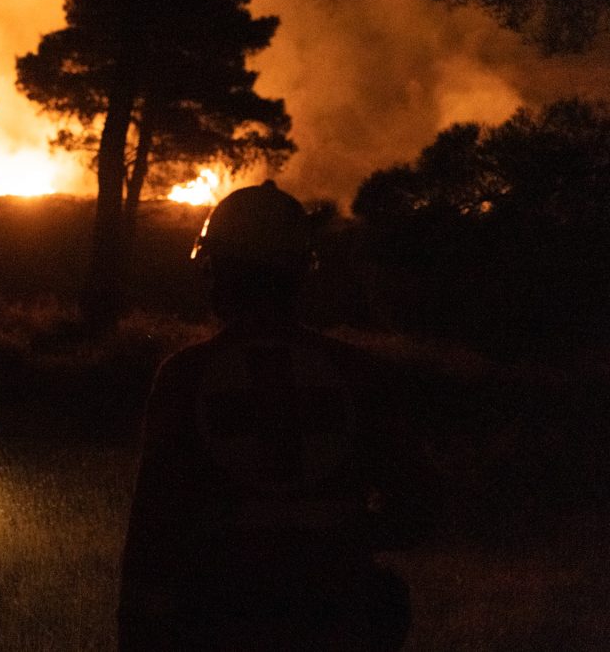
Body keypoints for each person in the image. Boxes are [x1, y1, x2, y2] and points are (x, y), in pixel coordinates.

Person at [118, 181, 438, 650]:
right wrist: (337, 540)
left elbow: (154, 530)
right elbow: (417, 509)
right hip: (336, 621)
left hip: (219, 622)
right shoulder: (359, 374)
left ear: (216, 270)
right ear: (301, 273)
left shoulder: (186, 377)